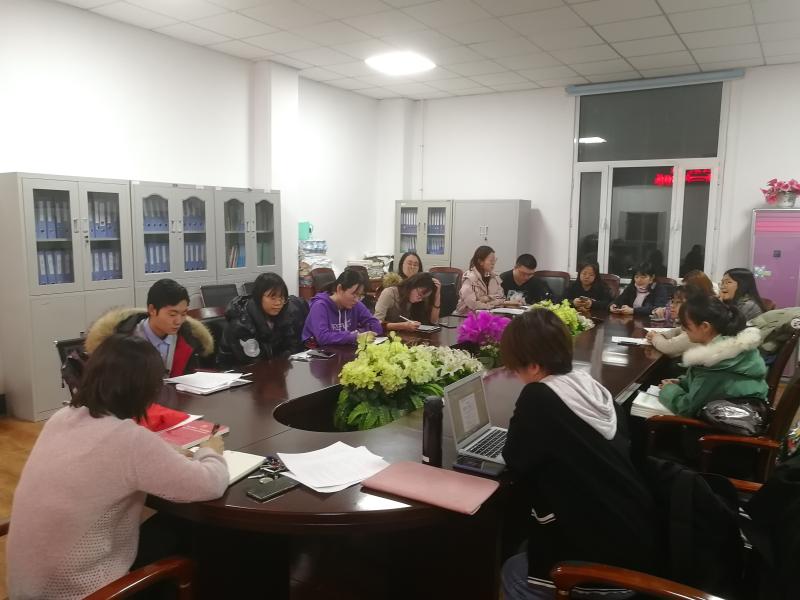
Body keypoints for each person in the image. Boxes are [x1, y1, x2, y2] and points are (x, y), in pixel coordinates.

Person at [7, 335, 228, 600]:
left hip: (28, 589)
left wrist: (163, 451)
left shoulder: (61, 418)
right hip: (83, 593)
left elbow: (116, 456)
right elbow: (209, 484)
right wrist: (210, 451)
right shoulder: (129, 440)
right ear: (144, 390)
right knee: (188, 532)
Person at [499, 310, 659, 599]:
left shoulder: (539, 397)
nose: (516, 375)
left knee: (512, 571)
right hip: (637, 537)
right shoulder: (592, 387)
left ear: (533, 365)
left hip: (603, 564)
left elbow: (515, 457)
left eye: (515, 368)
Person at [659, 295, 768, 417]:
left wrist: (668, 390)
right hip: (744, 411)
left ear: (705, 326)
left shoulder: (716, 361)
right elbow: (708, 386)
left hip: (726, 423)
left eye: (685, 324)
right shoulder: (734, 347)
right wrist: (682, 382)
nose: (683, 329)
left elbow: (687, 409)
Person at [85, 278, 213, 376]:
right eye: (172, 314)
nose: (178, 321)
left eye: (184, 314)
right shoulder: (125, 341)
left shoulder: (188, 339)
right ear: (152, 310)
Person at [218, 272, 307, 364]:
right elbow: (253, 363)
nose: (278, 303)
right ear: (258, 297)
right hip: (237, 370)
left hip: (272, 368)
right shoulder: (242, 323)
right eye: (273, 298)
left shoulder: (283, 315)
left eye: (281, 298)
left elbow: (293, 347)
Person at [302, 269, 382, 346]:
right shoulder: (320, 306)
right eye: (354, 294)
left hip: (342, 349)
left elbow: (376, 325)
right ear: (339, 288)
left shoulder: (355, 304)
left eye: (360, 295)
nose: (357, 299)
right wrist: (355, 336)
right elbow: (323, 338)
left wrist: (358, 333)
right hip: (317, 351)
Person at [373, 272, 440, 332]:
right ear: (412, 285)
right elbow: (375, 324)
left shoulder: (418, 302)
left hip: (408, 337)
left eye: (423, 298)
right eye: (419, 294)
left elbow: (433, 321)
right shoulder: (390, 293)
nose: (420, 299)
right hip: (387, 336)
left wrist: (437, 294)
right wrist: (402, 326)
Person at [646, 285, 700, 358]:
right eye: (672, 301)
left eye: (678, 302)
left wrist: (654, 337)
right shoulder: (686, 325)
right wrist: (657, 334)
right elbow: (676, 331)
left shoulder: (696, 329)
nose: (672, 305)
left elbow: (667, 347)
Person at [455, 245, 506, 314]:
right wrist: (490, 302)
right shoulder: (470, 278)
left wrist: (485, 299)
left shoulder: (494, 278)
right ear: (480, 261)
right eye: (491, 260)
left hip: (489, 314)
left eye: (494, 260)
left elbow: (501, 299)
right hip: (466, 316)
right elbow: (472, 304)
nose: (493, 263)